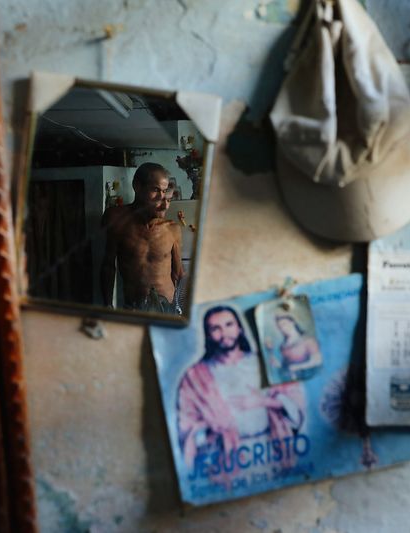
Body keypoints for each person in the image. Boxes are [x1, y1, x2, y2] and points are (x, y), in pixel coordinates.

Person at [176, 306, 305, 472]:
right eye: (216, 329)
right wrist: (211, 424)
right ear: (208, 335)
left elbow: (296, 406)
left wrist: (263, 401)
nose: (224, 333)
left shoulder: (267, 363)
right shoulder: (195, 377)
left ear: (239, 328)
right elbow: (187, 426)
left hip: (273, 449)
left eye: (229, 325)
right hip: (225, 460)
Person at [100, 162, 183, 312]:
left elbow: (178, 274)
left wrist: (180, 308)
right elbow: (108, 266)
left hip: (167, 308)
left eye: (164, 191)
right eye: (155, 190)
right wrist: (107, 305)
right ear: (137, 186)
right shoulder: (116, 219)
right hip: (134, 307)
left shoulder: (172, 229)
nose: (161, 197)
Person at [270, 313, 322, 381]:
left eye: (284, 324)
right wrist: (278, 365)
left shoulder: (308, 340)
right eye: (280, 327)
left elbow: (317, 360)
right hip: (292, 380)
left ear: (292, 322)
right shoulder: (283, 346)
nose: (283, 328)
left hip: (310, 377)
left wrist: (298, 367)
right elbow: (287, 366)